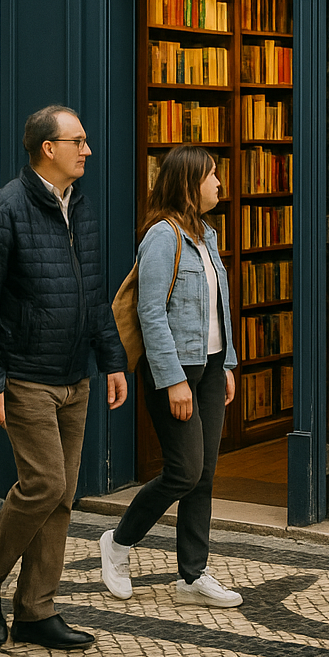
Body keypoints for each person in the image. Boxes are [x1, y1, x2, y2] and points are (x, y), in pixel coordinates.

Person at [0, 105, 128, 650]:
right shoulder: (2, 211)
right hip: (24, 375)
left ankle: (35, 609)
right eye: (78, 141)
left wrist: (113, 360)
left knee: (62, 496)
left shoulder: (82, 207)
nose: (88, 150)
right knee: (44, 484)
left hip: (74, 374)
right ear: (47, 149)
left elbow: (95, 296)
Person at [98, 146, 242, 607]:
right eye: (212, 175)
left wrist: (230, 363)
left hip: (212, 367)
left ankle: (192, 575)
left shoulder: (208, 235)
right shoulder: (163, 236)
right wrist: (172, 378)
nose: (219, 182)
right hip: (177, 371)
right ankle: (117, 544)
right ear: (188, 183)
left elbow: (220, 309)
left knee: (205, 475)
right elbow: (150, 312)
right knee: (183, 471)